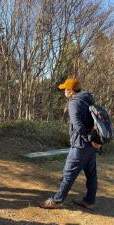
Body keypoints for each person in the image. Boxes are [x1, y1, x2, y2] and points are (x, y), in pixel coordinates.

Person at [40, 78, 101, 209]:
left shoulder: (74, 103)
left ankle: (56, 201)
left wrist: (88, 138)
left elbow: (78, 125)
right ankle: (89, 201)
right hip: (91, 147)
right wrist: (93, 140)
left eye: (65, 90)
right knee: (91, 175)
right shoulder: (88, 100)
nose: (64, 92)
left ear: (71, 91)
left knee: (68, 174)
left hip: (80, 145)